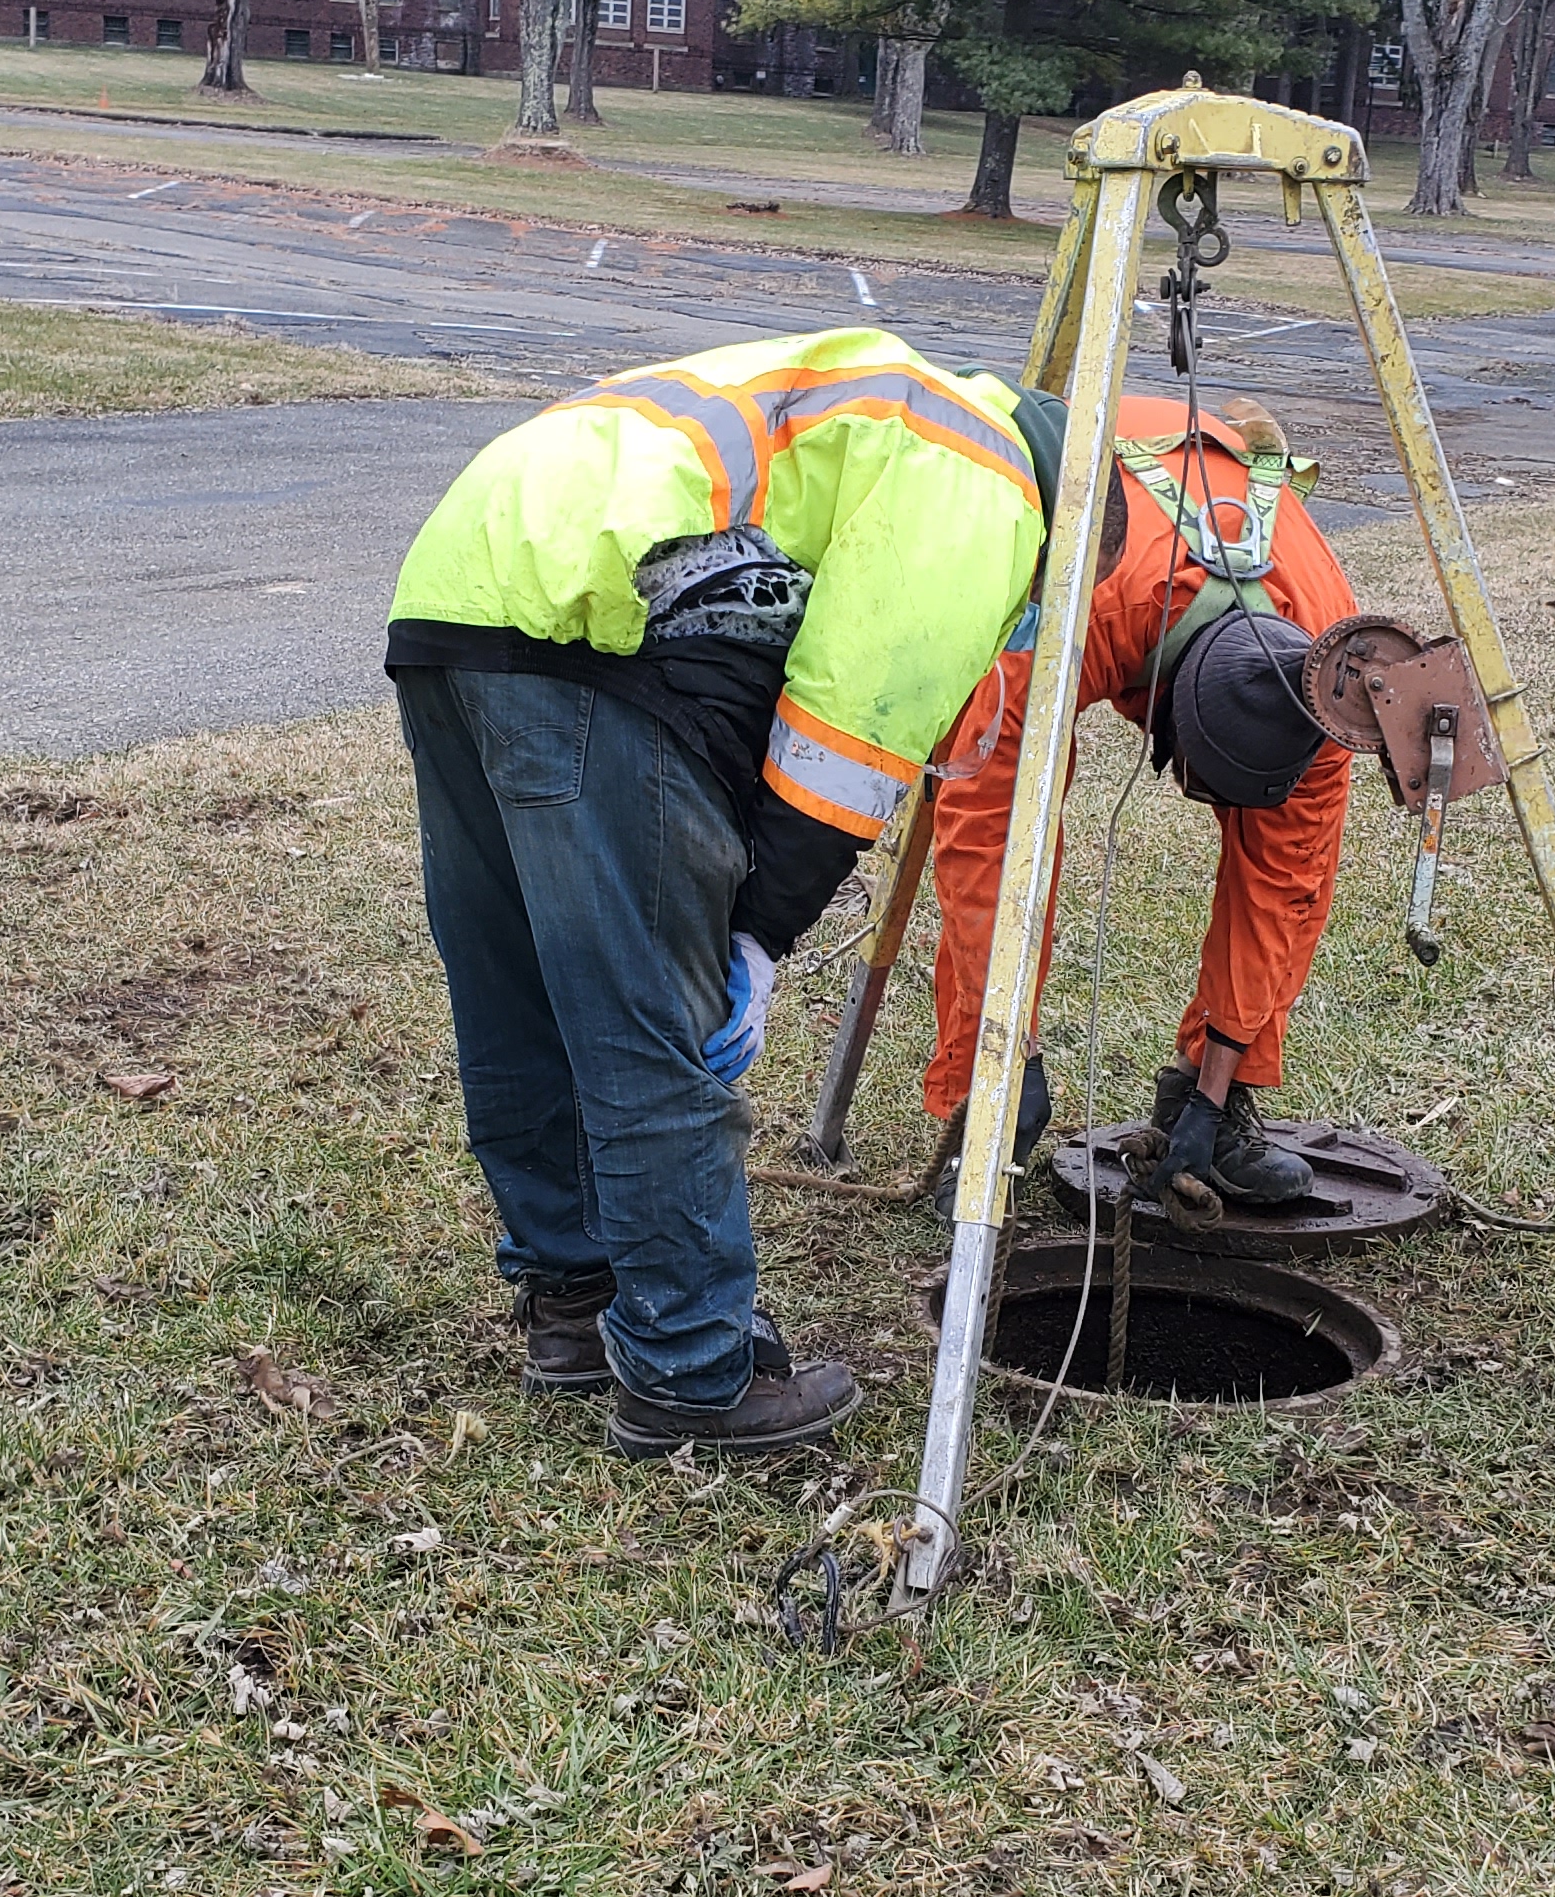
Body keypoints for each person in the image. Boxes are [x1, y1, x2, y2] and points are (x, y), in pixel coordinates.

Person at [386, 329, 1060, 1457]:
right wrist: (754, 935)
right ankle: (691, 1368)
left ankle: (571, 1300)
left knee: (514, 987)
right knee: (654, 1022)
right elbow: (850, 731)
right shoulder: (987, 478)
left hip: (462, 583)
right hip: (603, 624)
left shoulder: (879, 400)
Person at [923, 391, 1355, 1206]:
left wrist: (1210, 1092)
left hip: (1207, 534)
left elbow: (1284, 890)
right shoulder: (1072, 613)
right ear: (1162, 712)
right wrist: (1007, 1062)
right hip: (1102, 513)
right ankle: (983, 1114)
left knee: (1292, 879)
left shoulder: (1327, 686)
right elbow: (990, 847)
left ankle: (1219, 1110)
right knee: (992, 818)